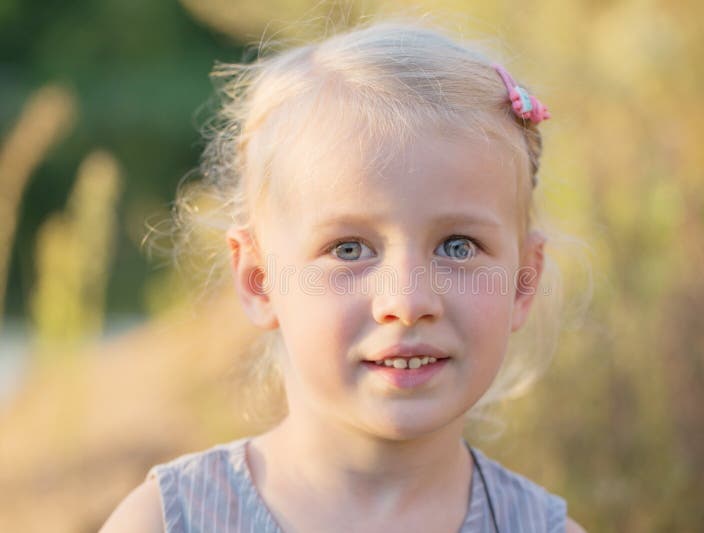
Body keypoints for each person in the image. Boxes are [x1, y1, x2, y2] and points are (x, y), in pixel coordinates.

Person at [101, 19, 586, 533]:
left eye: (458, 246)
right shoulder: (170, 522)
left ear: (522, 282)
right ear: (259, 280)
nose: (407, 300)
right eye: (349, 249)